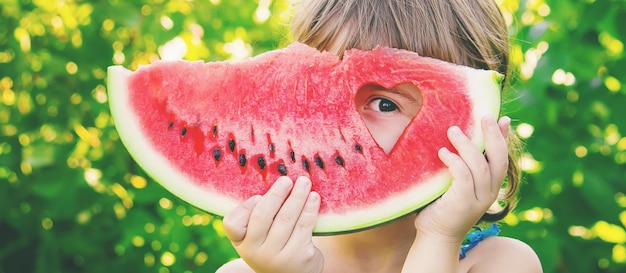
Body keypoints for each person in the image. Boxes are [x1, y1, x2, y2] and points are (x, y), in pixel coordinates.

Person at [217, 0, 543, 272]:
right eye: (314, 92)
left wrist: (439, 237)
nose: (336, 124)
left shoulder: (501, 262)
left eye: (384, 103)